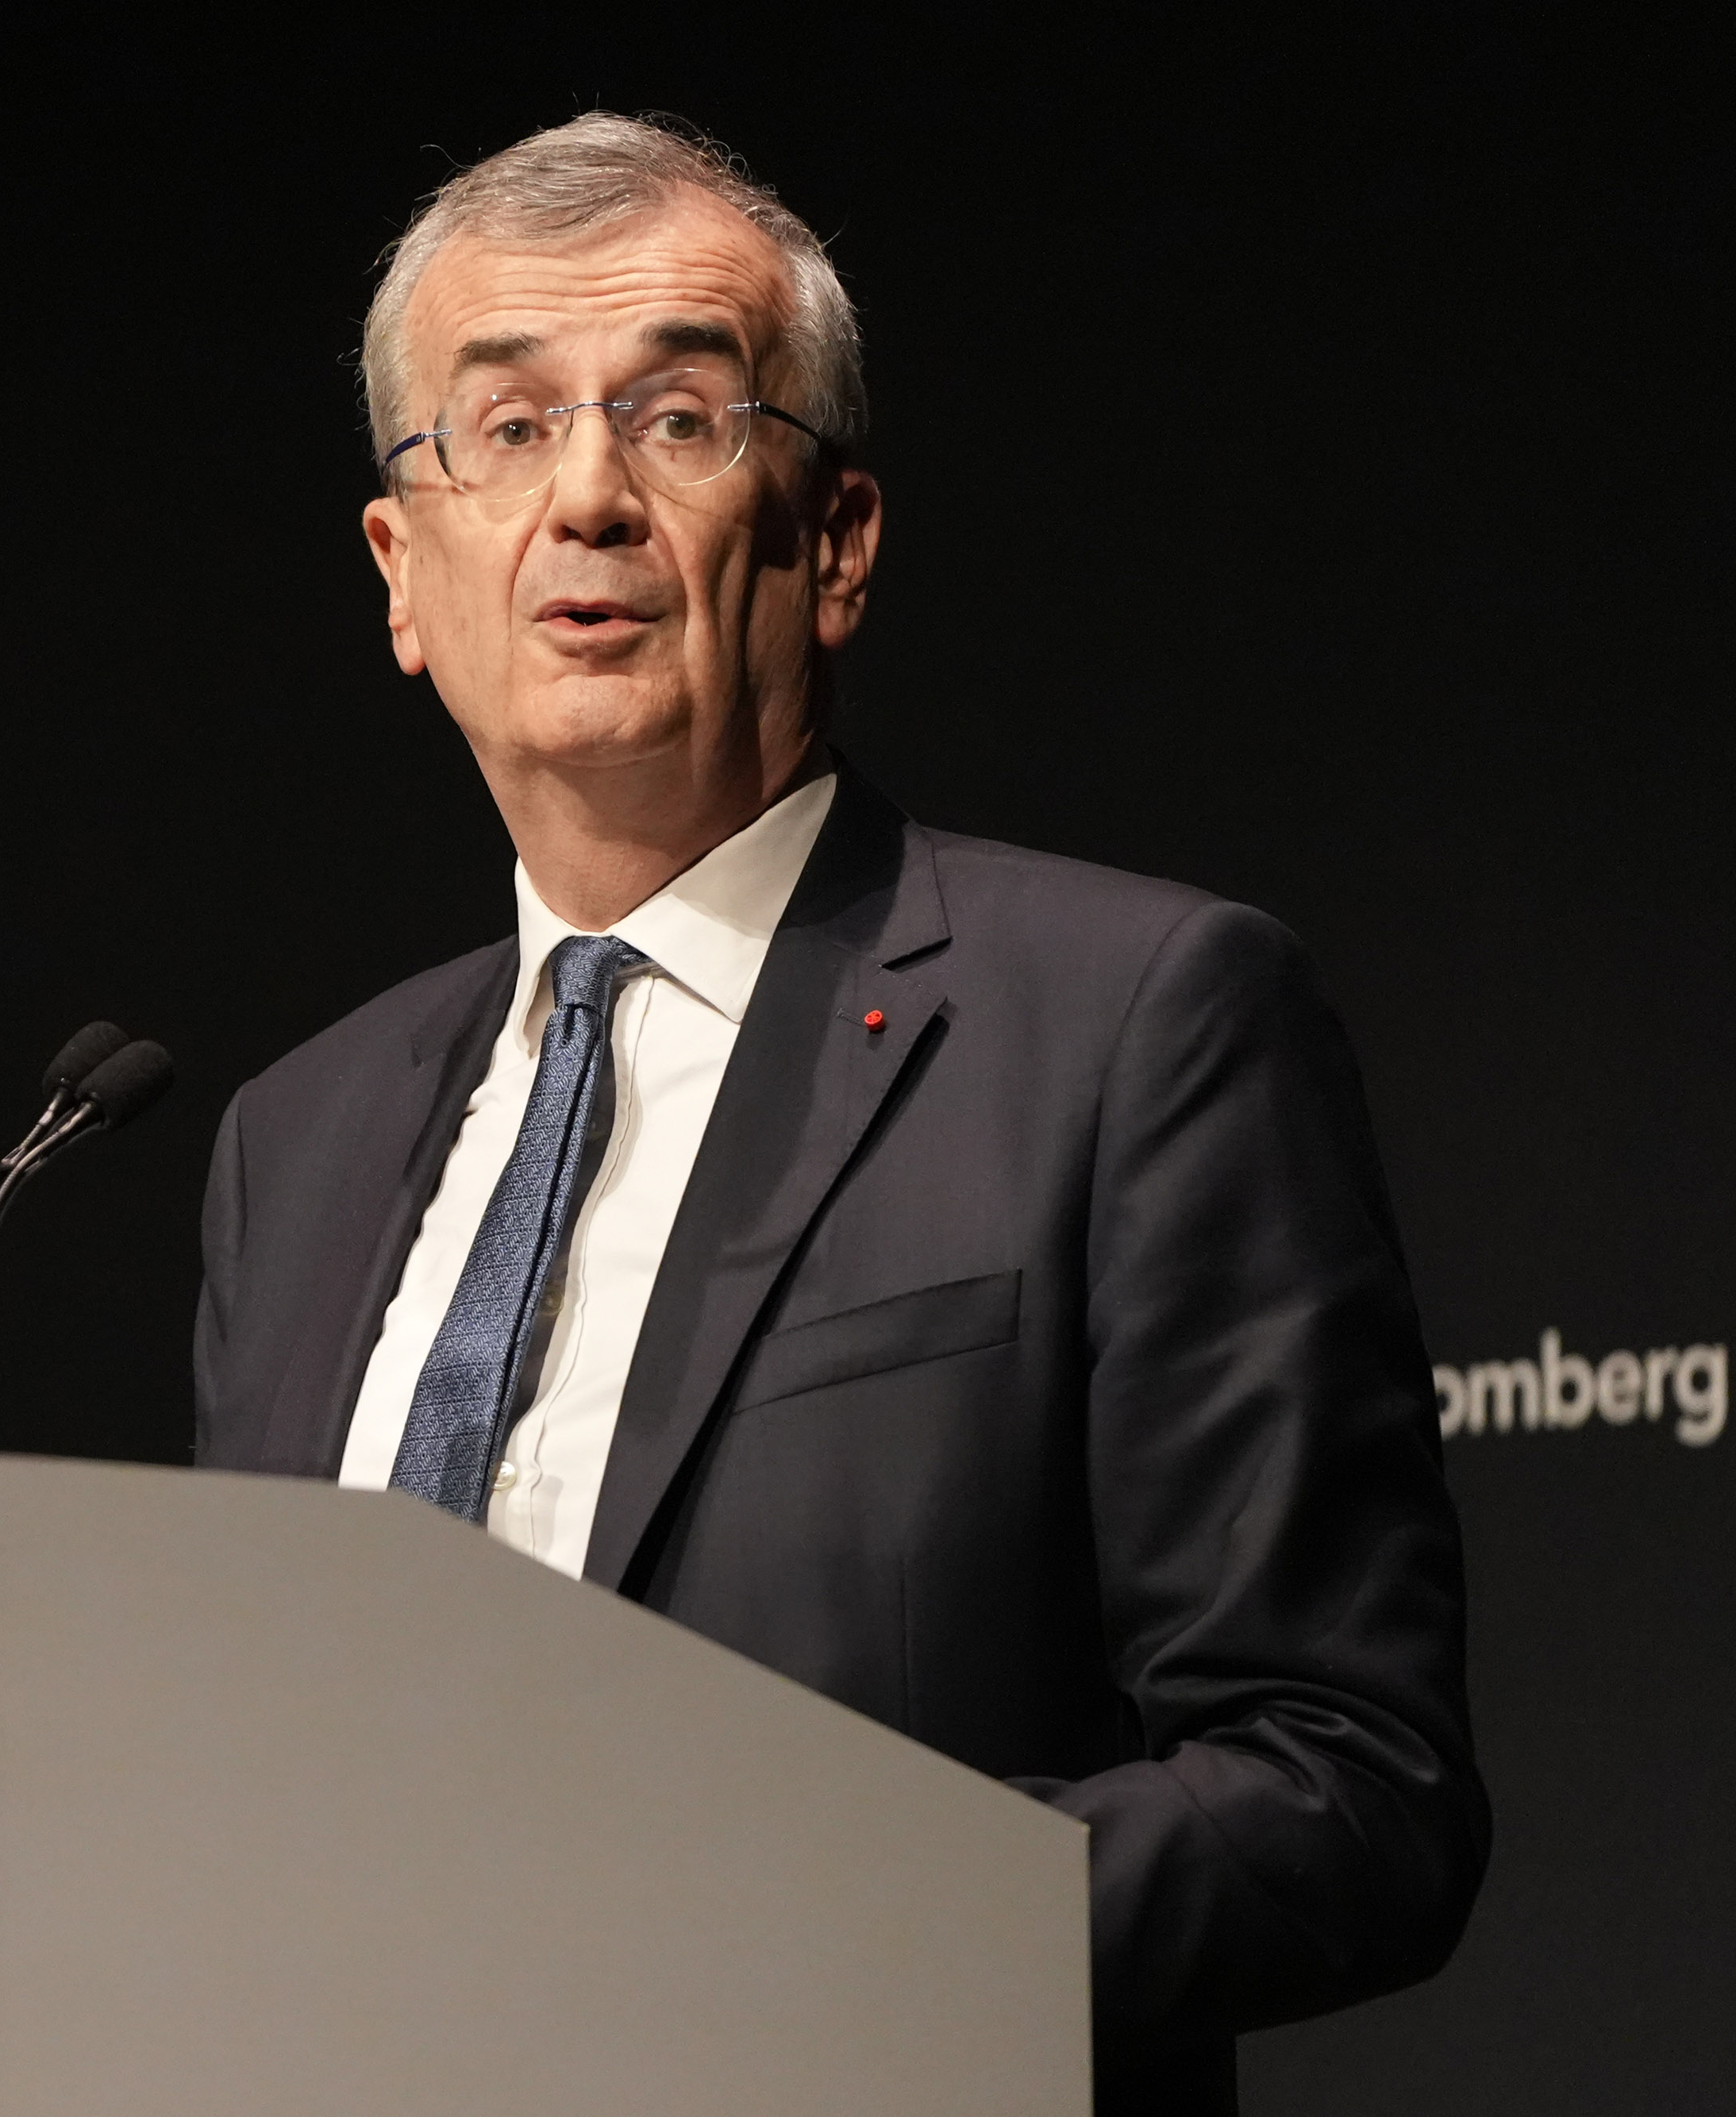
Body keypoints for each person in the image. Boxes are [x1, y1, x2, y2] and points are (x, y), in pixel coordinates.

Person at [191, 113, 1485, 2117]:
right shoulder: (294, 1144)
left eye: (679, 418)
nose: (588, 498)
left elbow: (1344, 1786)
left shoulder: (1130, 1022)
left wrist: (770, 1933)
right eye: (505, 427)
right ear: (400, 574)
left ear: (837, 542)